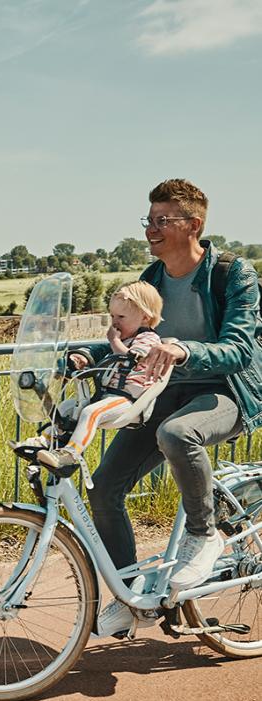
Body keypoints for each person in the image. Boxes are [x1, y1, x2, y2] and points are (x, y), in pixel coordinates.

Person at [71, 179, 262, 637]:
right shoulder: (151, 280)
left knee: (178, 434)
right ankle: (130, 596)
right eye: (149, 220)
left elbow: (239, 349)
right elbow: (137, 338)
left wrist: (184, 351)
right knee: (104, 490)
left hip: (227, 391)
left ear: (193, 225)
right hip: (164, 392)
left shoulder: (232, 274)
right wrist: (86, 357)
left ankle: (204, 533)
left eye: (163, 220)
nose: (150, 230)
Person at [37, 282, 164, 472]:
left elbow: (131, 359)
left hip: (130, 401)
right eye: (112, 316)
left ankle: (70, 455)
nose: (115, 322)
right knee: (66, 407)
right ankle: (42, 441)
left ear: (145, 317)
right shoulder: (126, 338)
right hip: (109, 396)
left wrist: (114, 340)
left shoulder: (149, 339)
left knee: (91, 412)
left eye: (121, 317)